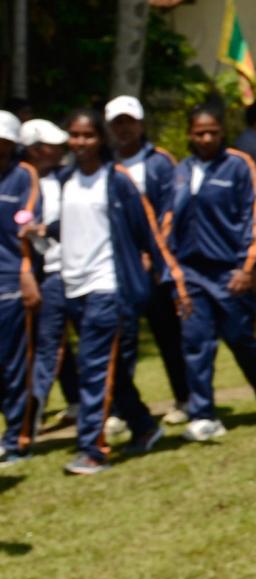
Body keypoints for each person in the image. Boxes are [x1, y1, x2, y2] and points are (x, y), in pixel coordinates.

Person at [52, 108, 184, 474]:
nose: (80, 143)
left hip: (107, 286)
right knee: (110, 368)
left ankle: (92, 450)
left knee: (94, 368)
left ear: (101, 139)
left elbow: (148, 231)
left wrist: (169, 277)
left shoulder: (118, 179)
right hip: (73, 287)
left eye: (87, 136)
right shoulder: (66, 179)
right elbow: (69, 226)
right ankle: (144, 426)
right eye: (74, 135)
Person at [171, 104, 256, 440]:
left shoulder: (238, 165)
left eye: (213, 132)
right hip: (191, 273)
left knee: (240, 340)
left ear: (222, 132)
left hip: (230, 272)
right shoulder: (181, 170)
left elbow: (255, 216)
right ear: (189, 134)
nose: (206, 138)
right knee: (196, 343)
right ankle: (203, 415)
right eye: (199, 132)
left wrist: (246, 267)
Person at [104, 94, 189, 417]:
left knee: (168, 334)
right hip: (117, 269)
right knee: (121, 342)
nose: (124, 129)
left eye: (129, 122)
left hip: (155, 267)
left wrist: (154, 255)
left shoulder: (159, 162)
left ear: (141, 124)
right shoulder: (105, 164)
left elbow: (172, 210)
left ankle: (184, 398)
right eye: (117, 123)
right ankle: (119, 410)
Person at [21, 117, 73, 446]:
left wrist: (44, 229)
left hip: (63, 271)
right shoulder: (16, 182)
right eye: (51, 145)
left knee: (49, 344)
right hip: (35, 274)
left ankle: (31, 414)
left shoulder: (64, 180)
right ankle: (79, 402)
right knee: (51, 343)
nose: (59, 150)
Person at [0, 113, 34, 464]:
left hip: (12, 281)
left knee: (12, 363)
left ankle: (16, 438)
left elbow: (28, 225)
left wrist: (26, 273)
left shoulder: (24, 177)